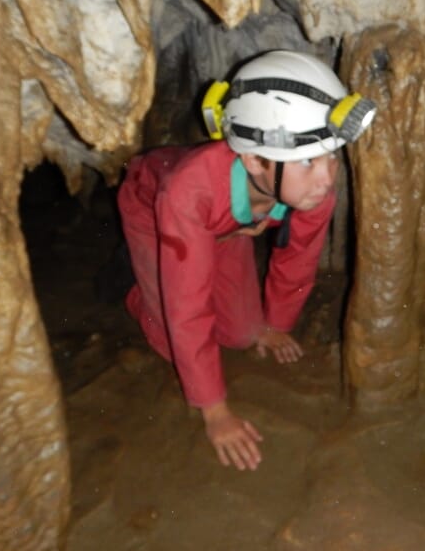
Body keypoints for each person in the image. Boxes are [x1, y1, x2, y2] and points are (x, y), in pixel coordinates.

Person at [117, 49, 376, 471]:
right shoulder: (187, 192)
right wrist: (215, 412)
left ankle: (196, 274)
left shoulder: (313, 191)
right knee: (172, 339)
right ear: (255, 159)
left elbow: (298, 260)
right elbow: (189, 308)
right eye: (308, 160)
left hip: (229, 223)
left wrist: (276, 324)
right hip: (155, 210)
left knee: (241, 334)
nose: (327, 178)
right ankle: (141, 296)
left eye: (332, 156)